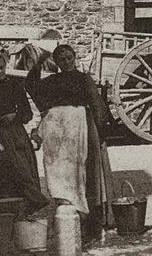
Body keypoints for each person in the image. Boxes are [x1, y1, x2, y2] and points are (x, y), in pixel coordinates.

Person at [25, 44, 114, 244]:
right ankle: (68, 220)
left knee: (83, 175)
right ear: (56, 62)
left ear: (74, 57)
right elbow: (31, 85)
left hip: (80, 126)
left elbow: (97, 104)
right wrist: (39, 63)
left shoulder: (84, 79)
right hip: (57, 131)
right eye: (61, 59)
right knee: (60, 173)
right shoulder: (52, 81)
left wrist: (99, 131)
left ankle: (88, 226)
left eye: (69, 58)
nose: (66, 62)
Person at [0, 51, 48, 215]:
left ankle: (30, 202)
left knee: (22, 165)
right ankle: (9, 207)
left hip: (14, 132)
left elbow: (27, 114)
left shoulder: (14, 85)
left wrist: (14, 116)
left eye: (1, 68)